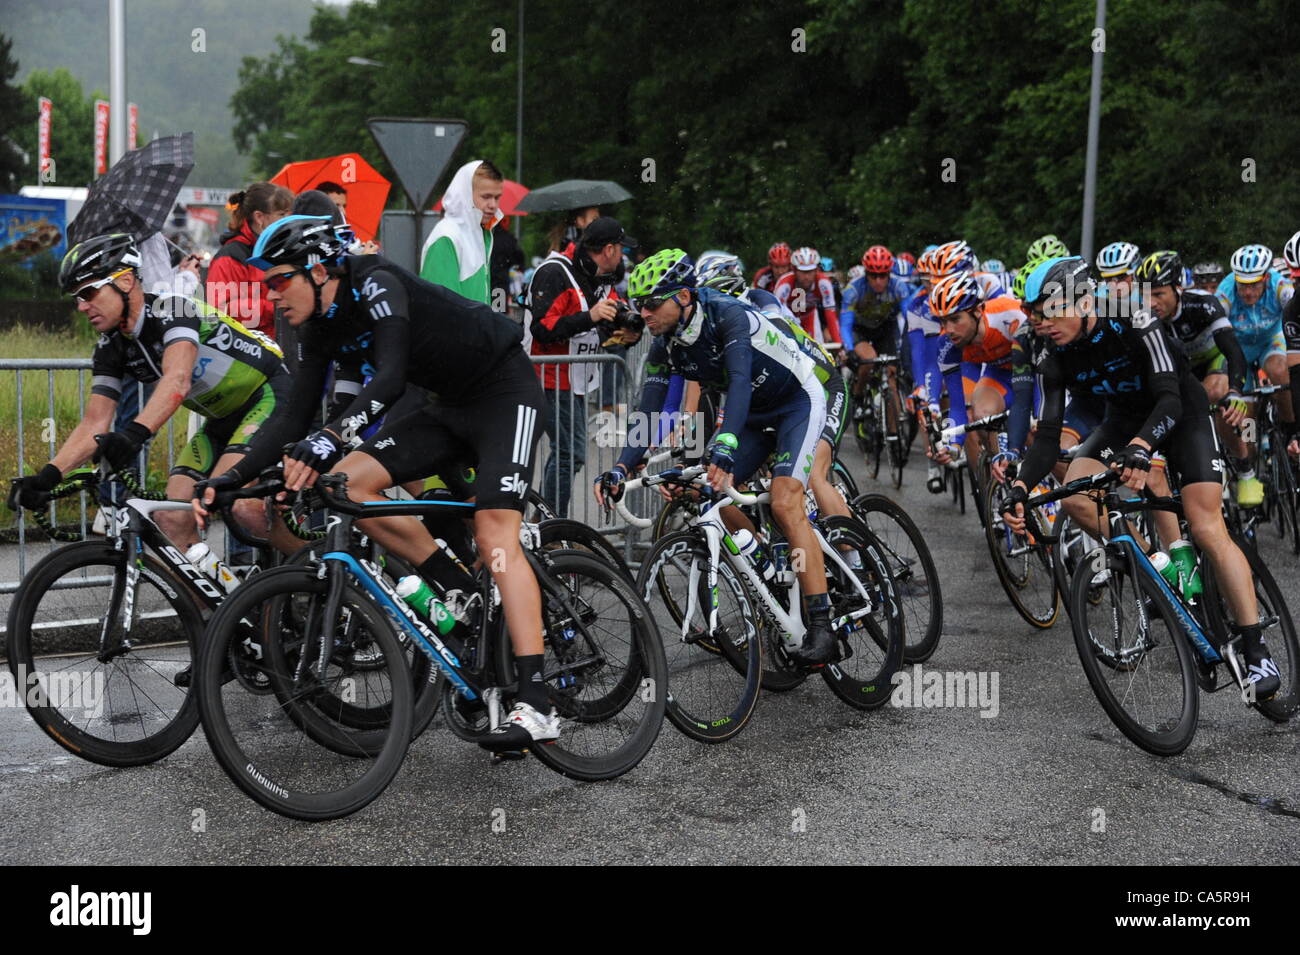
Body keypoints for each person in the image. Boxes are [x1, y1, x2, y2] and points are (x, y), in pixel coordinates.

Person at [194, 214, 559, 748]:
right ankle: (458, 590)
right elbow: (293, 419)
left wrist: (328, 438)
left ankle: (538, 702)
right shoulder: (316, 325)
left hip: (505, 392)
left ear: (319, 271)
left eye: (279, 281)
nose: (272, 296)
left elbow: (387, 380)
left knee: (494, 535)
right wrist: (232, 478)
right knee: (344, 482)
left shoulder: (376, 282)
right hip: (447, 406)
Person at [1004, 256, 1279, 699]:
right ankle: (1158, 565)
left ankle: (1255, 649)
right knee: (1074, 498)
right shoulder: (1051, 353)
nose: (1043, 324)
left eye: (1052, 312)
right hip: (1123, 421)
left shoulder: (1133, 314)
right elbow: (1049, 436)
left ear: (1086, 300)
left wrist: (1143, 447)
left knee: (1206, 526)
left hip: (1180, 413)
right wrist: (1019, 487)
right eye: (1036, 315)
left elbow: (1169, 397)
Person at [594, 249, 838, 666]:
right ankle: (764, 559)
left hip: (799, 397)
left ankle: (822, 623)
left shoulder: (727, 315)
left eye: (652, 303)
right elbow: (648, 408)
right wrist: (621, 465)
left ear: (684, 297)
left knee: (784, 499)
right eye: (638, 305)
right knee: (709, 493)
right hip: (757, 413)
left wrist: (723, 445)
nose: (644, 313)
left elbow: (739, 383)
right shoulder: (665, 343)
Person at [8, 233, 298, 559]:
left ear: (127, 281)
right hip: (222, 419)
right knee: (170, 519)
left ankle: (317, 572)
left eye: (88, 292)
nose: (81, 305)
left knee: (241, 504)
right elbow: (95, 421)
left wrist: (132, 436)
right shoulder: (111, 346)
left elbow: (178, 379)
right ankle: (214, 610)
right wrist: (48, 476)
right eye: (76, 297)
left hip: (268, 395)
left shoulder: (171, 309)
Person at [525, 216, 636, 517]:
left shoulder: (602, 277)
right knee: (569, 452)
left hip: (574, 378)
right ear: (609, 249)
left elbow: (604, 327)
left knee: (566, 453)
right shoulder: (554, 272)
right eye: (622, 250)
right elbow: (543, 329)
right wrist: (592, 317)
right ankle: (551, 523)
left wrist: (624, 336)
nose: (623, 256)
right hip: (546, 375)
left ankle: (546, 518)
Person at [1215, 243, 1296, 506]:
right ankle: (1248, 468)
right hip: (1238, 351)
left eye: (1254, 285)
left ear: (1267, 278)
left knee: (1279, 370)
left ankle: (1289, 428)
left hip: (1270, 341)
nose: (1248, 291)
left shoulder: (1281, 287)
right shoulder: (1225, 293)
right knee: (1245, 425)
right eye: (1243, 285)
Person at [206, 182, 293, 335]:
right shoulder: (230, 257)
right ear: (259, 217)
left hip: (280, 345)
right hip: (248, 351)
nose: (288, 220)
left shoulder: (281, 250)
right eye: (281, 214)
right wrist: (275, 309)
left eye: (288, 214)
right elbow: (217, 311)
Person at [419, 159, 504, 305]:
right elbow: (442, 308)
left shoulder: (482, 234)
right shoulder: (447, 236)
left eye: (497, 198)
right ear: (465, 194)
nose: (493, 205)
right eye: (486, 197)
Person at [773, 246, 840, 347]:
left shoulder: (824, 283)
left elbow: (830, 314)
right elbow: (776, 315)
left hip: (810, 317)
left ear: (816, 270)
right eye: (803, 272)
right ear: (795, 270)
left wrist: (839, 344)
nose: (807, 277)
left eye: (810, 271)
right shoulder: (784, 285)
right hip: (787, 320)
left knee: (818, 352)